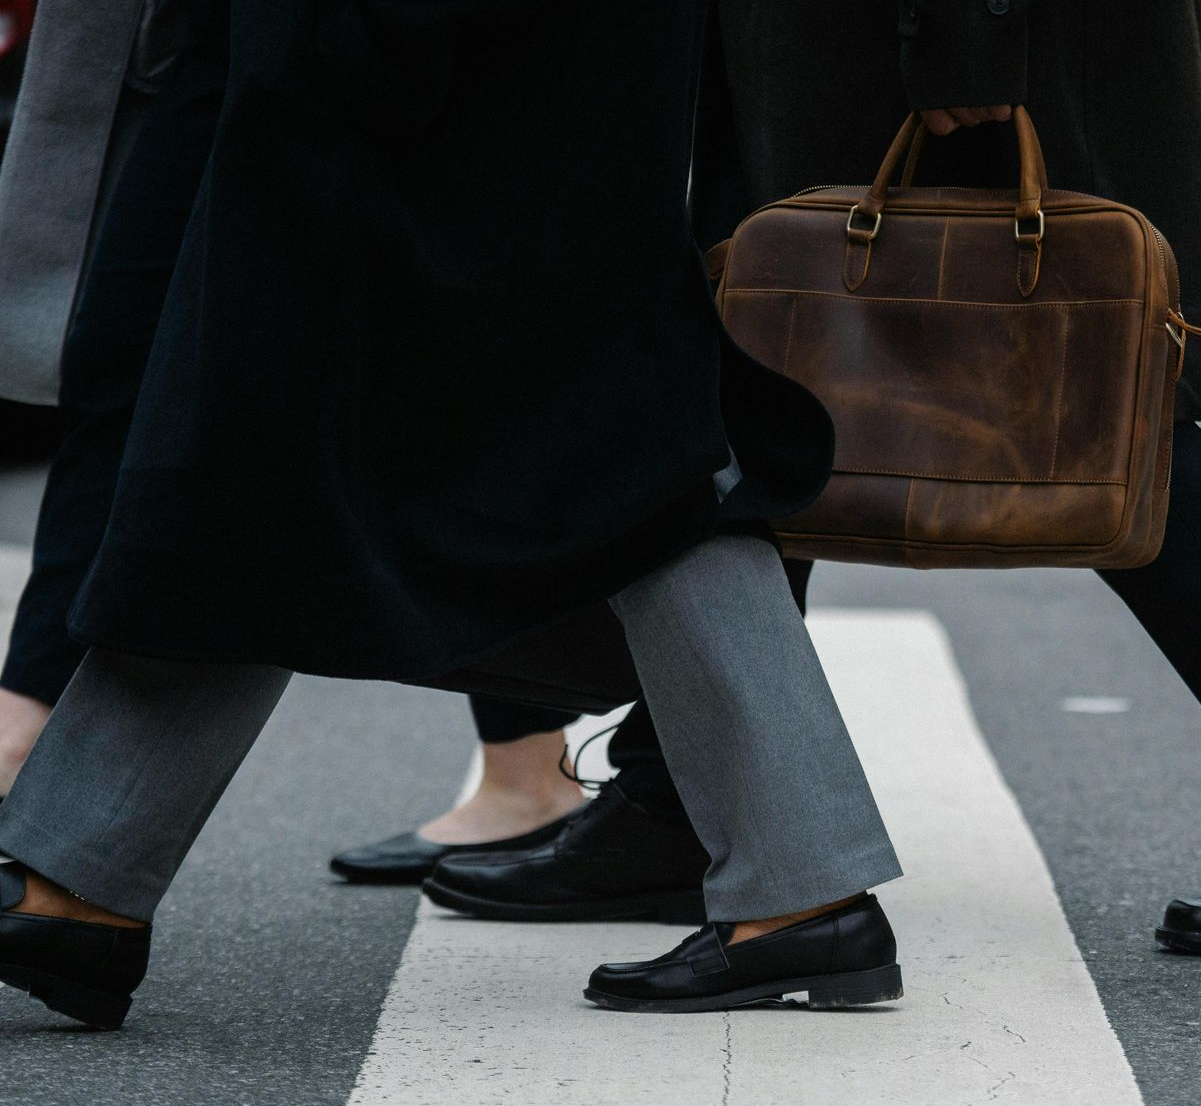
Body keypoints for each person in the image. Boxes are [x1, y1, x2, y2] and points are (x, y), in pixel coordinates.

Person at [423, 0, 1201, 959]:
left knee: (1079, 398)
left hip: (946, 51)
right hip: (866, 45)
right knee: (753, 368)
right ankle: (692, 802)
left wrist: (967, 36)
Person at [0, 0, 904, 1029]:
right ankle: (81, 880)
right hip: (489, 76)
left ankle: (82, 881)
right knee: (314, 460)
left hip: (431, 77)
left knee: (615, 464)